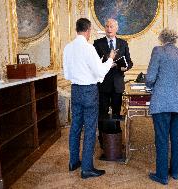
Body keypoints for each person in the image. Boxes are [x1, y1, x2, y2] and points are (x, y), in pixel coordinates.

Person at [63, 18, 117, 179]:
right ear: (88, 31)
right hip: (89, 91)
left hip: (75, 90)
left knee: (75, 127)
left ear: (76, 29)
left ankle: (73, 162)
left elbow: (66, 74)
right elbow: (100, 72)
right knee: (90, 129)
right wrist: (111, 58)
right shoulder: (88, 48)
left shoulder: (68, 48)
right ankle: (86, 168)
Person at [145, 28, 178, 185]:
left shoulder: (158, 51)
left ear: (161, 39)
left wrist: (150, 84)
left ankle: (162, 175)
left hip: (163, 102)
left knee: (162, 139)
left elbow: (150, 77)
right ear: (175, 39)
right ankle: (176, 172)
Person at [93, 18, 133, 149]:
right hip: (103, 84)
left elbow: (129, 62)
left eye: (111, 27)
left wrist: (125, 67)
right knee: (102, 112)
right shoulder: (97, 43)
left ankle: (116, 138)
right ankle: (103, 140)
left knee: (116, 112)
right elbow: (95, 63)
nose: (109, 29)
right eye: (107, 26)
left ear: (116, 29)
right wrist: (107, 63)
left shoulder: (123, 43)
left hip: (117, 84)